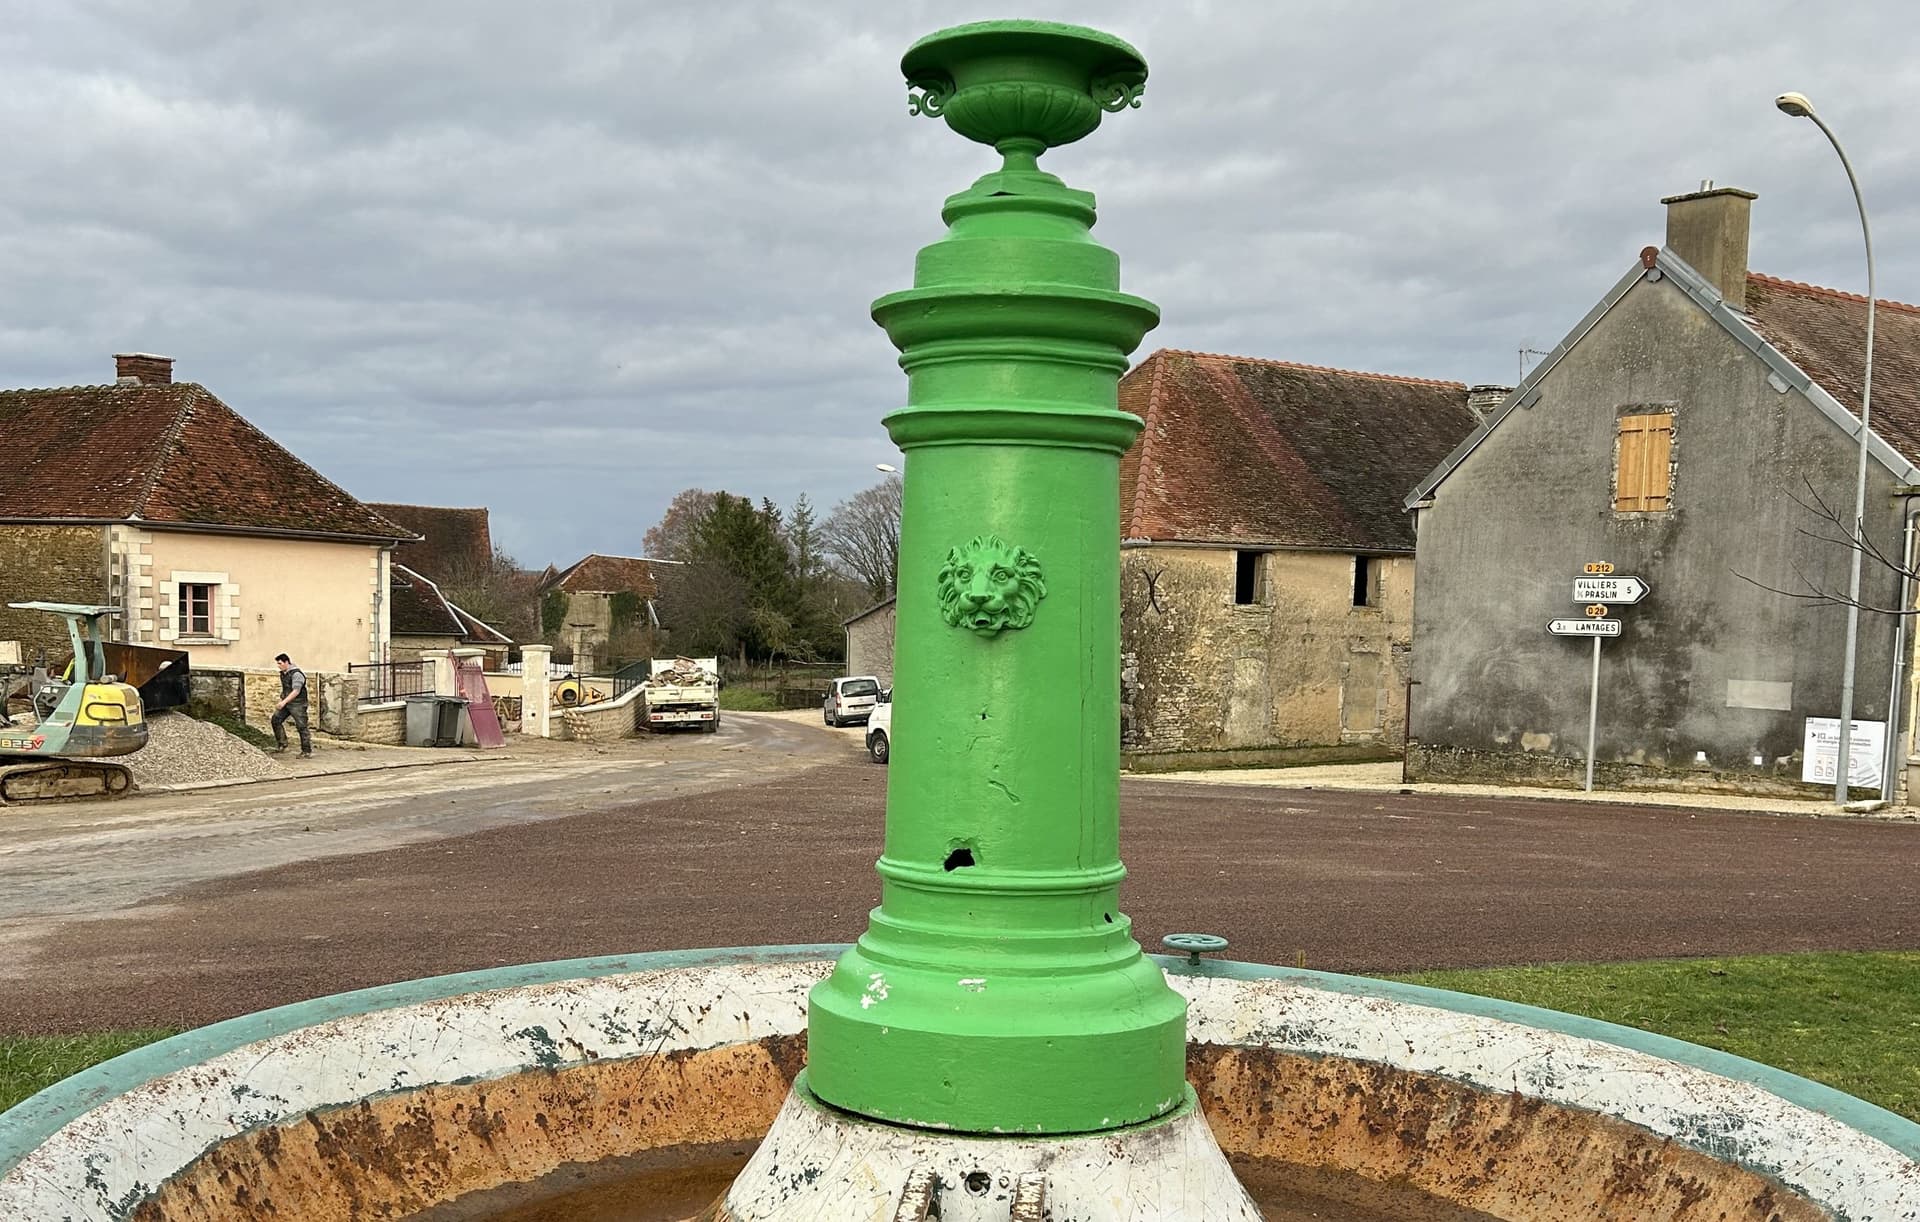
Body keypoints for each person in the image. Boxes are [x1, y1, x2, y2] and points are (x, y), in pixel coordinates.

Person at [271, 653, 312, 758]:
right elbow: (286, 689)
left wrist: (283, 702)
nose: (278, 666)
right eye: (278, 663)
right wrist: (283, 699)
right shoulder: (284, 673)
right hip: (287, 702)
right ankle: (282, 744)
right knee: (276, 720)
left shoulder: (296, 674)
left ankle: (306, 751)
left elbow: (296, 691)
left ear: (287, 662)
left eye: (280, 663)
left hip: (298, 704)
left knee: (301, 726)